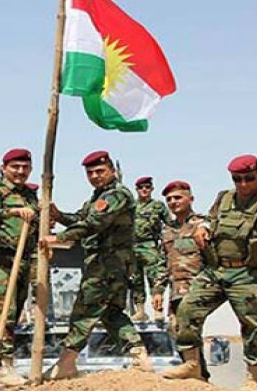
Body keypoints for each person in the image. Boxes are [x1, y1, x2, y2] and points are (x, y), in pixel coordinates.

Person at [164, 154, 257, 391]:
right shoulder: (224, 198)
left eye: (249, 178)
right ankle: (192, 364)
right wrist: (203, 228)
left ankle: (253, 378)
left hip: (248, 274)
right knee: (186, 310)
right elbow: (211, 219)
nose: (243, 184)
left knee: (253, 326)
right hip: (216, 270)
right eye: (237, 179)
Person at [41, 151, 153, 380]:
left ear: (112, 170)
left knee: (84, 309)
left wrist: (59, 238)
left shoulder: (117, 195)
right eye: (90, 173)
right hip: (108, 262)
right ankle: (138, 354)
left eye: (100, 171)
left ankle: (67, 362)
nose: (95, 176)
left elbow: (93, 223)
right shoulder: (98, 197)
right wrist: (59, 215)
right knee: (111, 312)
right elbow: (81, 218)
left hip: (108, 262)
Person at [0, 148, 39, 386]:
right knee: (5, 312)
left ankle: (0, 364)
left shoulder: (31, 195)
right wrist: (12, 212)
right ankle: (0, 365)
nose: (20, 171)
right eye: (15, 167)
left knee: (15, 314)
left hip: (23, 260)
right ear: (4, 168)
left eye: (25, 167)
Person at [151, 180, 209, 380]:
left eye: (178, 197)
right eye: (169, 199)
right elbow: (163, 261)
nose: (173, 202)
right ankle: (198, 374)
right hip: (176, 289)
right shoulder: (167, 230)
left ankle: (196, 371)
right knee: (176, 329)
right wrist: (158, 290)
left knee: (188, 327)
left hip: (199, 286)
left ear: (190, 199)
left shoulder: (203, 224)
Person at [131, 176, 169, 323]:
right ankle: (140, 311)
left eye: (147, 187)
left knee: (155, 278)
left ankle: (158, 311)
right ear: (137, 190)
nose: (144, 190)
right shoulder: (131, 206)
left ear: (152, 189)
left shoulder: (157, 206)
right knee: (135, 280)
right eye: (141, 188)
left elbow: (169, 223)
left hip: (150, 246)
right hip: (133, 246)